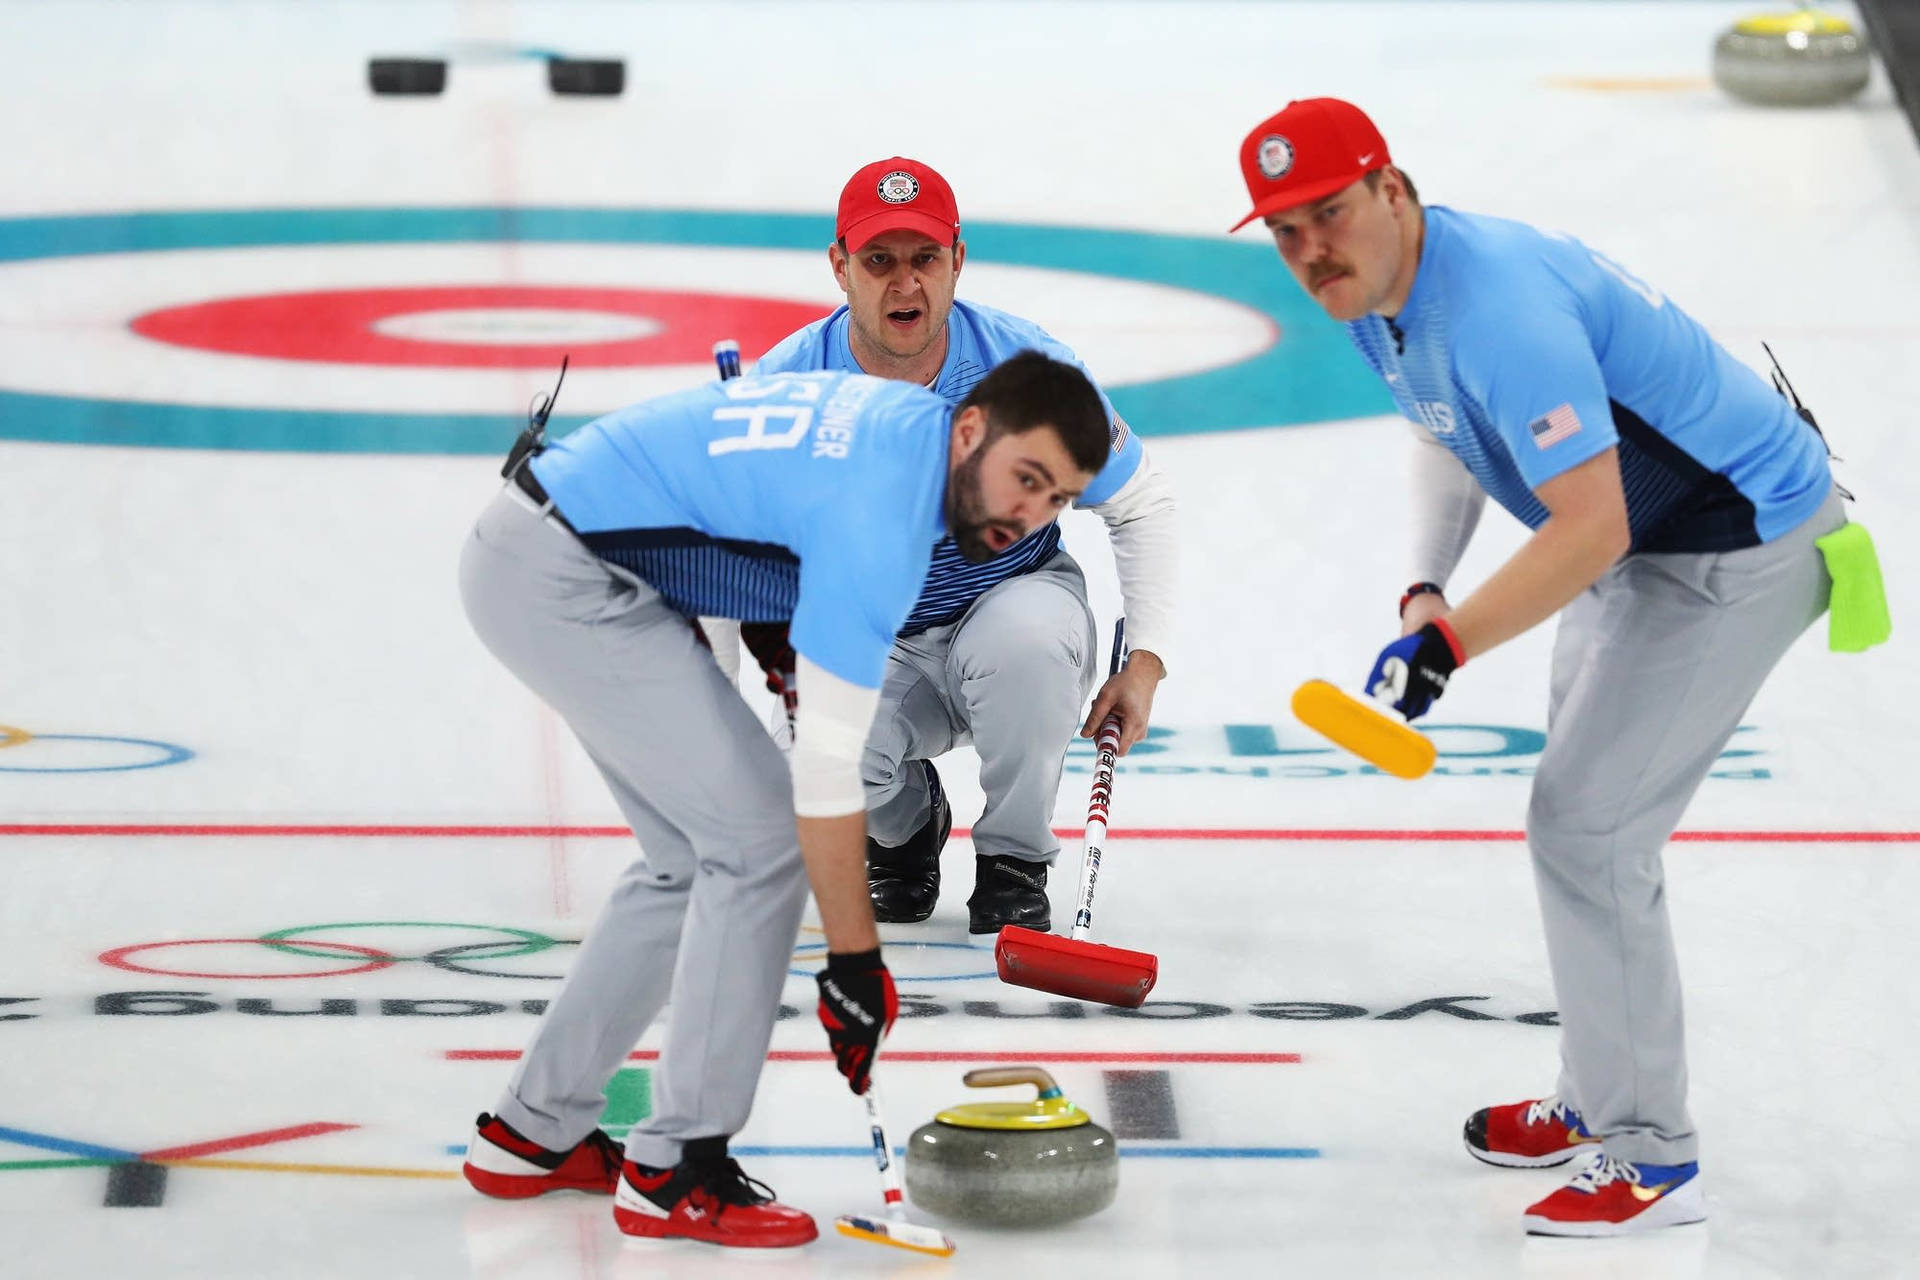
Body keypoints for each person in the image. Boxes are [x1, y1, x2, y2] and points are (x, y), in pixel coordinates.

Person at [1232, 97, 1846, 1236]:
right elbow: (1443, 428)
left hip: (1736, 547)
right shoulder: (1379, 289)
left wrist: (1456, 640)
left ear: (1393, 189)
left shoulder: (1500, 306)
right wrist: (1426, 593)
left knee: (1590, 828)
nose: (1309, 247)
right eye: (1284, 229)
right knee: (1579, 823)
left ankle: (1653, 1156)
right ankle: (1597, 1094)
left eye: (1327, 212)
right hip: (1648, 540)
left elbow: (1590, 525)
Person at [455, 351, 1112, 1247]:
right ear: (970, 431)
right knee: (760, 839)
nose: (1027, 517)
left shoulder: (902, 434)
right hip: (565, 576)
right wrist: (853, 965)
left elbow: (761, 495)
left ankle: (531, 1132)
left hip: (554, 554)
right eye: (1025, 480)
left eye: (1057, 501)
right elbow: (826, 779)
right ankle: (676, 1164)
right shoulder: (882, 524)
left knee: (690, 858)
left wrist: (775, 619)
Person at [747, 156, 1179, 934]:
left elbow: (1142, 500)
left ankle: (1014, 857)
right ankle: (907, 827)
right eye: (879, 260)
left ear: (958, 263)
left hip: (1012, 599)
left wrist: (1144, 661)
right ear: (841, 266)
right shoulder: (785, 391)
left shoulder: (1026, 370)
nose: (904, 284)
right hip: (876, 636)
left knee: (1027, 644)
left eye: (925, 260)